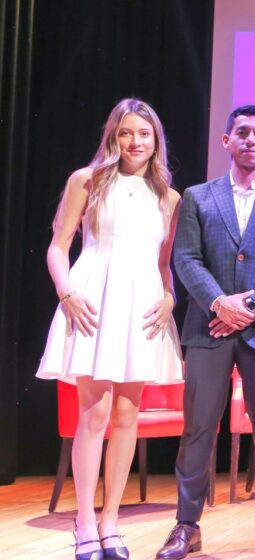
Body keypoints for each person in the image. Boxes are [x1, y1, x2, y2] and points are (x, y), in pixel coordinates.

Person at [157, 105, 255, 559]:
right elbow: (185, 259)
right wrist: (220, 303)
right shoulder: (198, 197)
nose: (250, 140)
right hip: (208, 328)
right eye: (242, 132)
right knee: (198, 429)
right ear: (226, 140)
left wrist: (251, 306)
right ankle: (186, 525)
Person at [36, 98, 183, 560]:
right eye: (126, 132)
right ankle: (84, 521)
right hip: (93, 299)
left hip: (143, 307)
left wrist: (170, 297)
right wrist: (66, 293)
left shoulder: (169, 196)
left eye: (144, 133)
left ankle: (111, 522)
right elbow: (58, 247)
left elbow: (163, 264)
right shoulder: (87, 179)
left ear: (156, 140)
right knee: (94, 414)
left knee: (126, 417)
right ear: (113, 136)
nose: (135, 142)